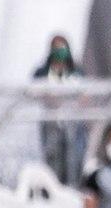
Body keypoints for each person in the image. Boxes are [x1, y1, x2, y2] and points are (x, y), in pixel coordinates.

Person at [33, 33, 87, 187]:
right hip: (51, 123)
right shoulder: (42, 72)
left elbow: (85, 96)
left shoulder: (77, 72)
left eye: (62, 48)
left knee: (73, 160)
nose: (59, 51)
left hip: (73, 124)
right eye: (55, 48)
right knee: (53, 159)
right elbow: (36, 93)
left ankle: (73, 188)